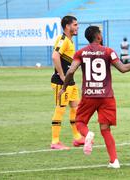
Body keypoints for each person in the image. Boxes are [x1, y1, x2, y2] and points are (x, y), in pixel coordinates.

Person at [59, 26, 130, 168]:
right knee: (105, 129)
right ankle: (114, 161)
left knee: (79, 121)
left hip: (89, 95)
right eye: (101, 34)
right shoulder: (108, 51)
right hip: (107, 96)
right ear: (98, 37)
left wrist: (64, 87)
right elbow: (123, 68)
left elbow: (71, 70)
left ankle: (88, 134)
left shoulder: (81, 52)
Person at [50, 15, 84, 150]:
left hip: (70, 82)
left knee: (76, 107)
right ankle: (55, 141)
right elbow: (55, 56)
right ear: (67, 26)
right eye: (75, 25)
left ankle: (77, 138)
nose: (77, 27)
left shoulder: (69, 41)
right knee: (60, 109)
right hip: (61, 82)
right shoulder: (63, 39)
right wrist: (62, 76)